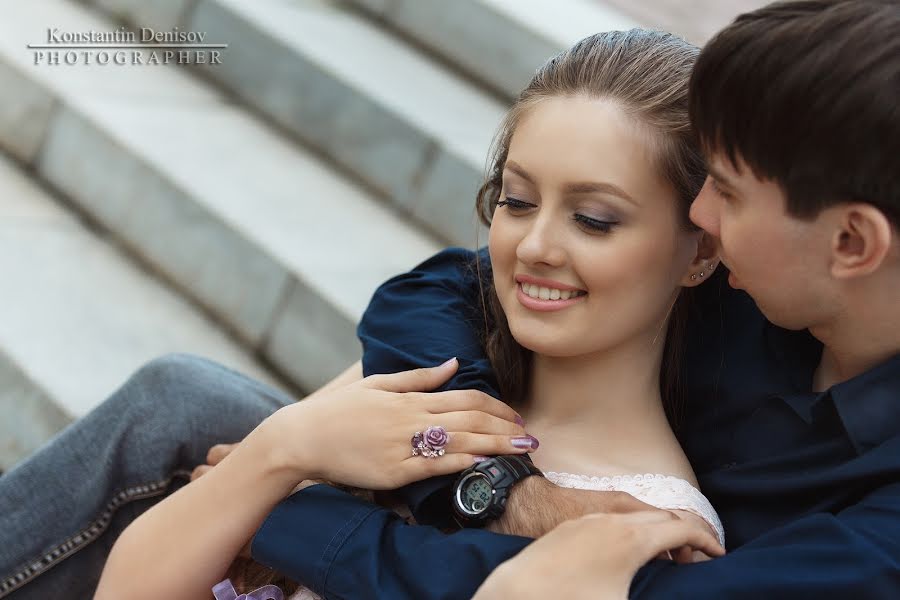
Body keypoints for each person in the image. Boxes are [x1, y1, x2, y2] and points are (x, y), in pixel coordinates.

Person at [237, 1, 900, 599]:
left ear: (851, 240)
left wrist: (277, 501)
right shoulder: (753, 281)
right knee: (181, 397)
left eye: (727, 190)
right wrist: (500, 486)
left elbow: (618, 592)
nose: (702, 210)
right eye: (517, 200)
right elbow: (436, 291)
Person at [94, 27, 727, 600]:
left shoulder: (650, 526)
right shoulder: (440, 373)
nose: (534, 248)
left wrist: (282, 499)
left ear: (699, 250)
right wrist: (284, 447)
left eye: (594, 219)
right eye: (518, 201)